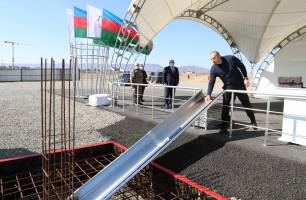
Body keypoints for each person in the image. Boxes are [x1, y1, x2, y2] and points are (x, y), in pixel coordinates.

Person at [205, 51, 257, 134]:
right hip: (228, 87)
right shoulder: (214, 68)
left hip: (240, 86)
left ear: (218, 56)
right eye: (211, 59)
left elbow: (242, 66)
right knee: (225, 107)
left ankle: (253, 121)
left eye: (214, 58)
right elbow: (211, 82)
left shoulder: (231, 58)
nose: (213, 61)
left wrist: (246, 78)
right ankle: (224, 127)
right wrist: (208, 94)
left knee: (246, 104)